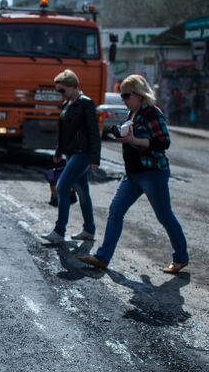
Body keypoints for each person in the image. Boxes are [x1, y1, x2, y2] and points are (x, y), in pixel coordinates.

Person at [78, 75, 189, 274]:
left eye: (126, 95)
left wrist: (134, 140)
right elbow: (132, 137)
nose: (123, 99)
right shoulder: (133, 112)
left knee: (164, 216)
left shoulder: (152, 113)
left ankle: (181, 257)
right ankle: (103, 257)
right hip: (133, 174)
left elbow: (164, 142)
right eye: (122, 95)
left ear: (139, 94)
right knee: (115, 211)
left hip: (152, 173)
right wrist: (122, 135)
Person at [42, 69, 101, 244]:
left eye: (62, 90)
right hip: (69, 153)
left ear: (74, 86)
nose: (59, 94)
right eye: (57, 90)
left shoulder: (86, 104)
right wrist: (58, 152)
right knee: (83, 193)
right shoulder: (66, 104)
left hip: (83, 153)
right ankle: (89, 230)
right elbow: (63, 132)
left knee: (62, 187)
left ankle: (59, 231)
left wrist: (95, 159)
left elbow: (94, 132)